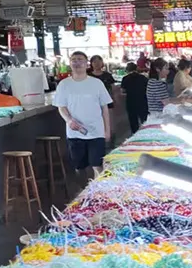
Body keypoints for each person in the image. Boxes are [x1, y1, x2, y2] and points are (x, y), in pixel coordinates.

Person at [52, 51, 112, 179]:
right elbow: (61, 107)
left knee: (98, 165)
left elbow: (104, 108)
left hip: (96, 132)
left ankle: (99, 194)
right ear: (70, 64)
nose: (77, 62)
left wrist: (107, 130)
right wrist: (68, 120)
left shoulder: (96, 83)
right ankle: (83, 193)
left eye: (80, 60)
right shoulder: (64, 84)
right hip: (75, 133)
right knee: (79, 167)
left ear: (86, 64)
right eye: (74, 60)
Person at [120, 61, 149, 134]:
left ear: (127, 70)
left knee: (133, 120)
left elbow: (123, 91)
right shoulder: (143, 78)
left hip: (131, 102)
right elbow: (148, 89)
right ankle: (146, 133)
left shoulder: (125, 78)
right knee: (144, 119)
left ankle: (135, 136)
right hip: (142, 101)